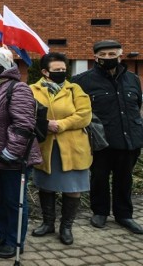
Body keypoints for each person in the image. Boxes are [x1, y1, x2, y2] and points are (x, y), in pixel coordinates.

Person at [0, 46, 42, 259]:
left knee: (14, 201)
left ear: (6, 66)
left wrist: (12, 151)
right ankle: (3, 234)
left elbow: (23, 124)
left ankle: (15, 241)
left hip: (12, 157)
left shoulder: (18, 88)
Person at [72, 40, 143, 234]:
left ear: (120, 55)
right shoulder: (82, 80)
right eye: (102, 55)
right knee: (99, 178)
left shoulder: (132, 79)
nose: (107, 58)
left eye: (112, 55)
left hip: (129, 139)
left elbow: (137, 106)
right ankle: (100, 212)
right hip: (100, 142)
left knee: (124, 179)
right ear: (95, 57)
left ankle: (124, 215)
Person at [30, 52, 92, 245]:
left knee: (72, 188)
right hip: (46, 146)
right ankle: (48, 223)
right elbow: (25, 113)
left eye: (64, 70)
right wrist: (44, 124)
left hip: (72, 148)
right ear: (45, 72)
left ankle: (66, 227)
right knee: (46, 186)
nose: (61, 73)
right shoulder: (32, 89)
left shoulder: (75, 89)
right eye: (56, 70)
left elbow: (84, 115)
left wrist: (61, 124)